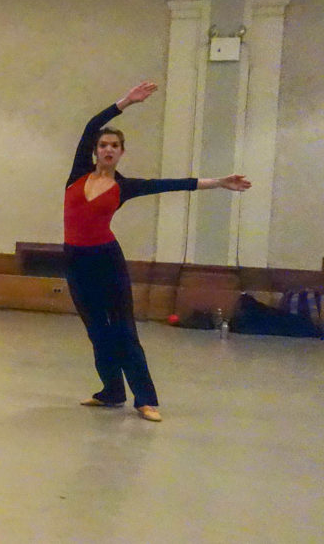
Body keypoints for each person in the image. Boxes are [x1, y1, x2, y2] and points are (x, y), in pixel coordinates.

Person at [64, 81, 251, 422]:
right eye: (103, 145)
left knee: (123, 330)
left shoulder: (124, 187)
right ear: (95, 150)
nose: (107, 150)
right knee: (96, 331)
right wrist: (125, 102)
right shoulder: (77, 175)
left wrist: (219, 182)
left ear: (121, 152)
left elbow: (174, 184)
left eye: (114, 146)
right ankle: (111, 391)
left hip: (107, 260)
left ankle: (145, 399)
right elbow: (91, 125)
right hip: (75, 262)